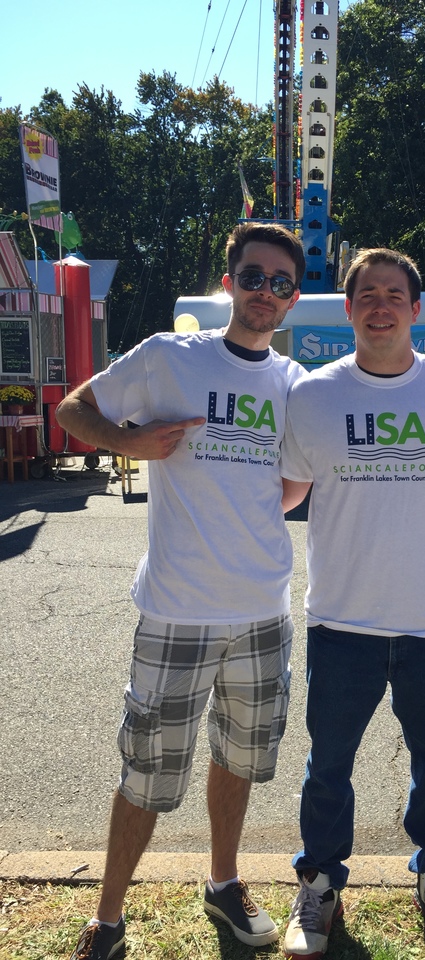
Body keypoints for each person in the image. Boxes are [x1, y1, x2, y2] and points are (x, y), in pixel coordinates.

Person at [56, 222, 306, 960]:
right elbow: (74, 409)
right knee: (147, 774)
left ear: (293, 298)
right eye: (255, 277)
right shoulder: (170, 357)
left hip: (264, 612)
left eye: (282, 283)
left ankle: (223, 884)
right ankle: (107, 918)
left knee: (238, 760)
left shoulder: (292, 384)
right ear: (229, 282)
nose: (267, 292)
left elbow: (298, 485)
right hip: (176, 612)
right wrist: (129, 443)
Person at [280, 248, 425, 959]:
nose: (380, 305)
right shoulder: (312, 395)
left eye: (394, 294)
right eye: (367, 293)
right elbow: (285, 492)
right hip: (341, 620)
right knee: (328, 763)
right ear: (349, 308)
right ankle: (320, 884)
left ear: (415, 309)